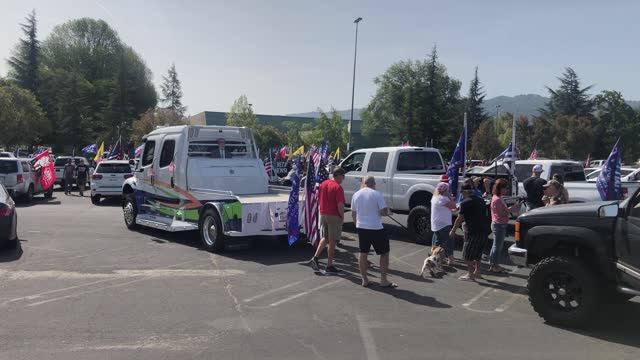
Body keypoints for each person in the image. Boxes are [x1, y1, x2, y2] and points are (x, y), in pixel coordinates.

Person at [351, 175, 396, 288]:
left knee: (363, 253)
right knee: (384, 253)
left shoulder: (356, 194)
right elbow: (383, 212)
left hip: (362, 227)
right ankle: (383, 280)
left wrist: (357, 224)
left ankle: (364, 279)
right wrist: (388, 212)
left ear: (364, 183)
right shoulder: (377, 194)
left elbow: (353, 213)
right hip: (376, 227)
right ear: (373, 184)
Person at [308, 167, 346, 274]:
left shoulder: (323, 184)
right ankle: (329, 265)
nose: (343, 178)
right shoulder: (338, 187)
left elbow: (318, 198)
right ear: (338, 175)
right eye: (343, 176)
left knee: (325, 238)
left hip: (324, 213)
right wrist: (342, 216)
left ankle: (315, 257)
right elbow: (340, 205)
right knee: (333, 240)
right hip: (334, 215)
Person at [450, 183, 490, 281]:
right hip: (484, 230)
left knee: (467, 254)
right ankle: (478, 272)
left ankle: (470, 274)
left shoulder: (465, 202)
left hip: (473, 231)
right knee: (478, 253)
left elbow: (459, 218)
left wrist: (453, 230)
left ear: (464, 192)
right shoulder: (481, 200)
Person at [490, 178, 521, 273]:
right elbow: (502, 213)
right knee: (497, 246)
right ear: (500, 188)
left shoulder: (497, 197)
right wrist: (513, 208)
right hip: (499, 224)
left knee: (495, 246)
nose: (506, 190)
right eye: (505, 188)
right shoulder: (498, 199)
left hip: (498, 223)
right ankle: (494, 266)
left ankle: (493, 264)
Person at [431, 182, 457, 265]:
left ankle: (437, 258)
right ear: (446, 190)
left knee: (438, 241)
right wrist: (450, 197)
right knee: (449, 240)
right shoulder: (444, 199)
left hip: (436, 223)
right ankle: (450, 259)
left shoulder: (435, 197)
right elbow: (454, 206)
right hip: (443, 223)